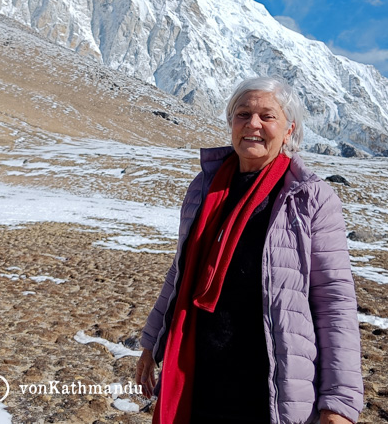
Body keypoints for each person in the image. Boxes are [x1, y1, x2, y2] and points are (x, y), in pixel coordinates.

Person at [136, 77, 363, 424]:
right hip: (199, 376)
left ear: (289, 130)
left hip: (269, 387)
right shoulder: (205, 187)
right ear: (231, 124)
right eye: (243, 114)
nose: (253, 124)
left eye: (267, 116)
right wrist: (151, 344)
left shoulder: (310, 198)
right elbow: (180, 273)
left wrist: (340, 401)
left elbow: (334, 301)